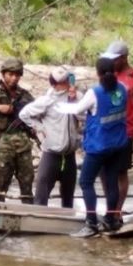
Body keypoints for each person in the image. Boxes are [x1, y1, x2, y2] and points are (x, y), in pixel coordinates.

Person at [60, 57, 128, 237]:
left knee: (85, 182)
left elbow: (76, 110)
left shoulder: (95, 92)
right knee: (112, 181)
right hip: (118, 143)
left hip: (98, 146)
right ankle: (111, 220)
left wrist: (59, 105)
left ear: (97, 73)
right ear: (114, 71)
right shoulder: (122, 89)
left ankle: (91, 223)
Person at [102, 40, 133, 213]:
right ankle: (110, 205)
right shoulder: (109, 76)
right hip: (107, 130)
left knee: (120, 171)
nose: (111, 62)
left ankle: (117, 210)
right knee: (103, 170)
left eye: (114, 59)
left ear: (123, 58)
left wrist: (132, 114)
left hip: (125, 132)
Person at [20, 66, 81, 208]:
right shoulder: (47, 100)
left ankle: (67, 223)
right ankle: (38, 221)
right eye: (62, 82)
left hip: (69, 154)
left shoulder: (76, 97)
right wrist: (39, 128)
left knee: (68, 195)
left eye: (67, 80)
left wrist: (74, 101)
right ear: (54, 84)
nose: (66, 84)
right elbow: (24, 114)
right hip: (51, 153)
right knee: (42, 194)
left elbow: (84, 116)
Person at [0, 57, 36, 203]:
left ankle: (28, 217)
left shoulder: (25, 95)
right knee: (0, 189)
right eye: (10, 74)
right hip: (3, 146)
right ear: (3, 74)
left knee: (27, 187)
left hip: (23, 146)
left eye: (17, 75)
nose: (14, 78)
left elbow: (37, 114)